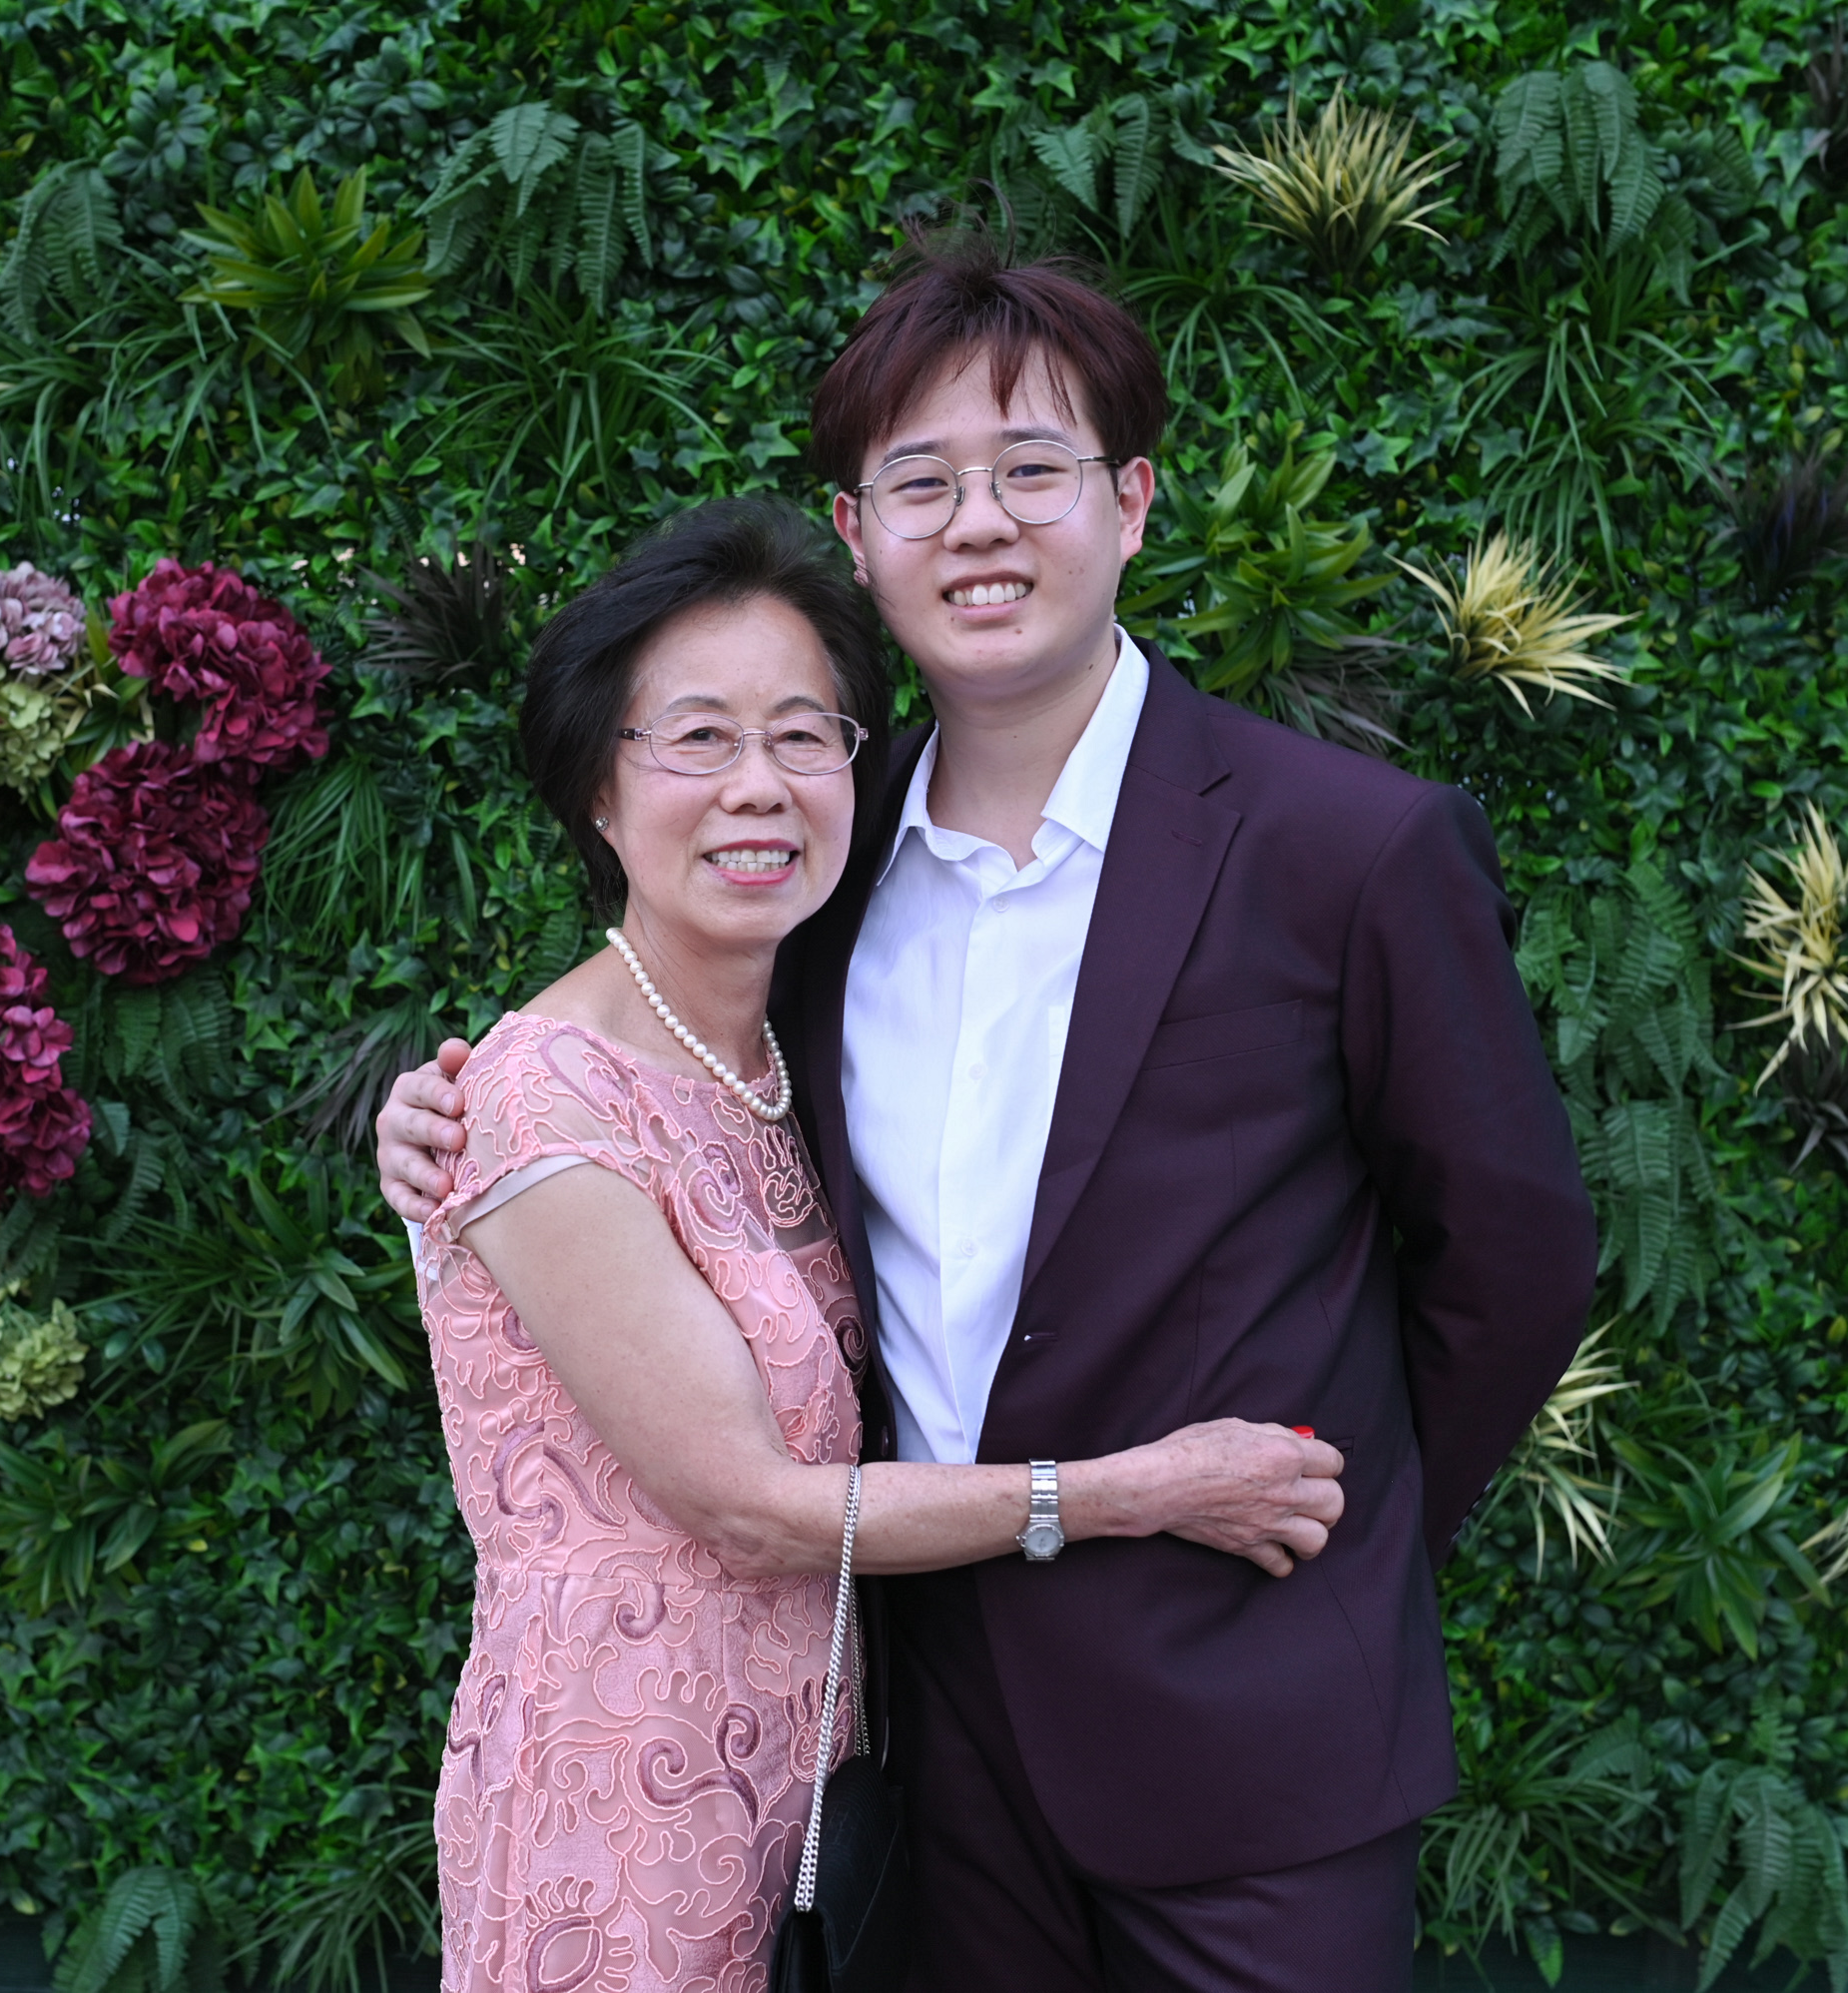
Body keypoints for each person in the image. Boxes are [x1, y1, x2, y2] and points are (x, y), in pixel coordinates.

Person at [382, 240, 1598, 1993]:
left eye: (1033, 469)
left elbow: (1516, 1255)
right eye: (922, 482)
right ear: (858, 530)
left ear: (1133, 501)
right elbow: (655, 1086)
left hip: (1257, 1725)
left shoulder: (1347, 850)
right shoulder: (815, 842)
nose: (980, 526)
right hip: (924, 1737)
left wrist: (1349, 1547)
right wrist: (444, 1124)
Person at [415, 496, 1348, 1993]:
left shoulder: (801, 1054)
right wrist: (1139, 1492)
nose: (760, 788)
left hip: (815, 1801)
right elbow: (751, 1508)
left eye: (805, 736)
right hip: (619, 1806)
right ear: (598, 786)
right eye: (698, 739)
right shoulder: (541, 1095)